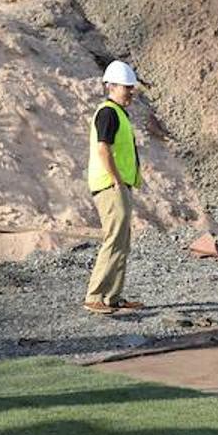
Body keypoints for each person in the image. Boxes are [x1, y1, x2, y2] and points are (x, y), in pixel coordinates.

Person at [83, 60, 145, 316]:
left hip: (118, 184)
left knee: (122, 241)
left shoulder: (118, 113)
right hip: (110, 185)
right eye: (126, 87)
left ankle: (112, 297)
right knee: (114, 240)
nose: (131, 92)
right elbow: (102, 148)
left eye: (131, 87)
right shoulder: (108, 113)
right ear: (111, 86)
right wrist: (117, 179)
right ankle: (95, 296)